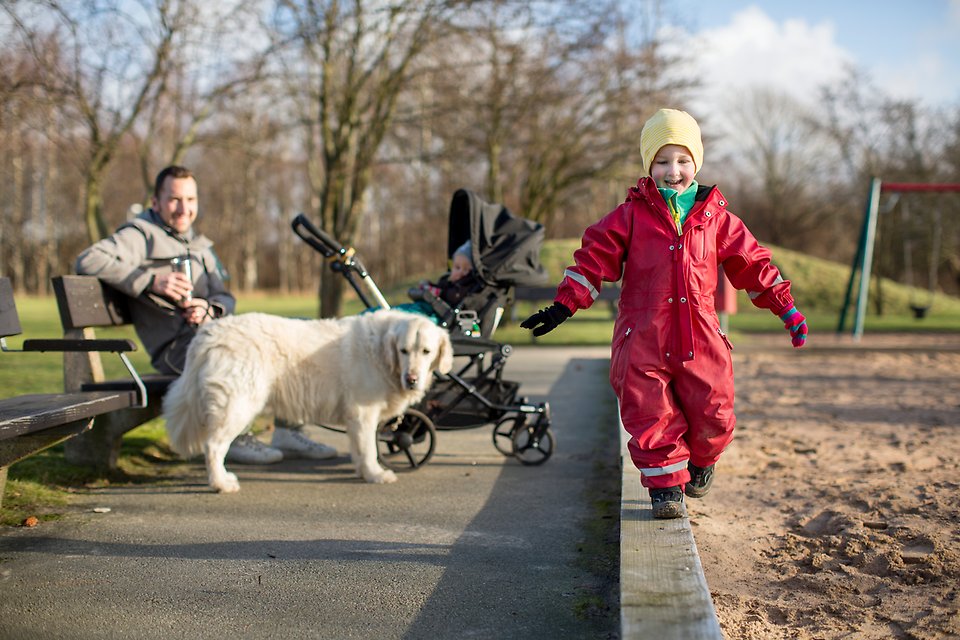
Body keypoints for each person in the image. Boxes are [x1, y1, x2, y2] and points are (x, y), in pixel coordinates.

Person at [521, 108, 808, 519]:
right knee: (650, 414)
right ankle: (665, 492)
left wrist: (787, 309)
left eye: (682, 160)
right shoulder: (630, 217)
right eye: (662, 161)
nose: (673, 171)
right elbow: (593, 260)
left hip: (701, 334)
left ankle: (703, 461)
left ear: (696, 163)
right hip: (644, 338)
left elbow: (753, 264)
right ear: (648, 165)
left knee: (716, 412)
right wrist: (563, 305)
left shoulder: (716, 219)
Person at [76, 165, 337, 465]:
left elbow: (225, 297)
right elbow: (88, 259)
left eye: (190, 200)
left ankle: (288, 430)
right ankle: (234, 437)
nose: (183, 209)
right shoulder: (140, 234)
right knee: (254, 355)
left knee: (293, 335)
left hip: (213, 335)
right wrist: (150, 280)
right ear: (156, 202)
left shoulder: (198, 244)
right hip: (178, 349)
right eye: (174, 199)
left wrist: (208, 308)